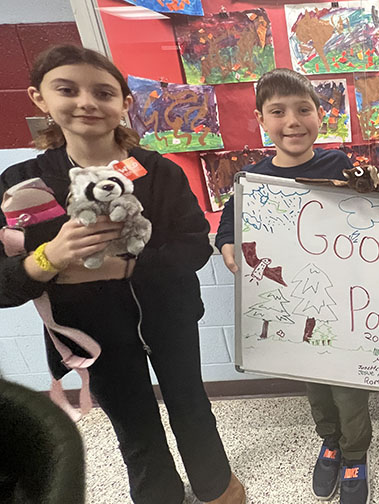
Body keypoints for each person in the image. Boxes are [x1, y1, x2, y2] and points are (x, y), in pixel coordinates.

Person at [0, 44, 244, 504]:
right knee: (133, 424)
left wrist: (124, 266)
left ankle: (217, 487)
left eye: (103, 92)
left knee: (192, 408)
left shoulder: (158, 172)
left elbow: (193, 245)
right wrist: (48, 258)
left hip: (169, 320)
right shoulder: (23, 185)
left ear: (125, 104)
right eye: (67, 90)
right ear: (39, 98)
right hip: (91, 336)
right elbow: (4, 283)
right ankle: (158, 496)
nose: (86, 103)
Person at [215, 68, 370, 504]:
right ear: (262, 119)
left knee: (347, 384)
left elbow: (376, 213)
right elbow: (228, 226)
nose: (293, 121)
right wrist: (227, 244)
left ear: (321, 114)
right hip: (290, 305)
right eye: (278, 112)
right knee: (313, 382)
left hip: (340, 303)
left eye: (304, 109)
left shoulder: (340, 166)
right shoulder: (252, 180)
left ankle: (356, 453)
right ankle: (331, 441)